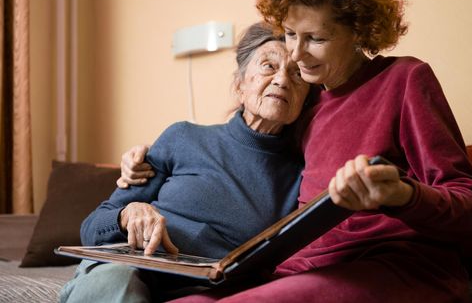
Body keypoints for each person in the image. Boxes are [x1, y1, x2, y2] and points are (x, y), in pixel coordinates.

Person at [122, 0, 472, 302]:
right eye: (290, 34)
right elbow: (243, 147)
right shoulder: (306, 104)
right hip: (302, 270)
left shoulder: (405, 79)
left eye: (316, 38)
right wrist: (144, 163)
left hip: (397, 267)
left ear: (359, 31)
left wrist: (402, 194)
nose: (296, 55)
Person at [59, 22, 310, 303]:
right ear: (239, 85)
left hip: (204, 290)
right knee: (116, 283)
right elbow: (90, 228)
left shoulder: (301, 176)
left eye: (297, 74)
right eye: (268, 66)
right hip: (127, 269)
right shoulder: (183, 137)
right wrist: (128, 213)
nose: (283, 80)